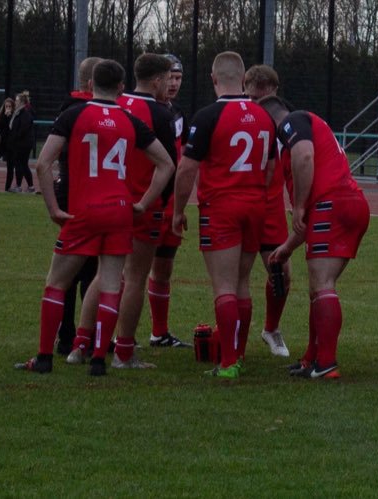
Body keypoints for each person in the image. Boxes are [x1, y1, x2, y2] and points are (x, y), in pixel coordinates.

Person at [17, 59, 177, 375]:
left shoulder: (74, 114)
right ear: (120, 87)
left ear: (90, 85)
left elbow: (43, 164)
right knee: (111, 284)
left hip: (83, 210)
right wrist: (144, 203)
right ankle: (100, 359)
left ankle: (46, 357)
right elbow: (167, 164)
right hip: (120, 210)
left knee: (56, 283)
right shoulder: (131, 120)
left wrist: (53, 208)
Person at [171, 51, 279, 379]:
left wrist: (177, 211)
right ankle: (238, 353)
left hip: (221, 208)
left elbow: (187, 168)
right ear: (244, 79)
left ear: (214, 79)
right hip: (255, 204)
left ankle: (229, 362)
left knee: (224, 286)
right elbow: (271, 168)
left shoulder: (207, 117)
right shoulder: (263, 116)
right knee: (243, 283)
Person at [263, 96, 370, 380]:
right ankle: (312, 358)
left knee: (322, 286)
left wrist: (297, 205)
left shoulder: (290, 122)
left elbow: (305, 156)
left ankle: (326, 363)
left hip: (332, 204)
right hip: (347, 203)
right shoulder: (309, 125)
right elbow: (309, 220)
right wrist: (286, 248)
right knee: (318, 288)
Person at [97, 53, 180, 369]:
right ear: (157, 80)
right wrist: (159, 201)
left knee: (105, 275)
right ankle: (124, 351)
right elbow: (169, 165)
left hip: (105, 200)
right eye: (167, 79)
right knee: (134, 278)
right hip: (141, 204)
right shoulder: (158, 113)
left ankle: (86, 343)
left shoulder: (113, 104)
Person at [51, 57, 106, 357]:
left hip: (68, 193)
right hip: (94, 194)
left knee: (69, 268)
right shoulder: (103, 111)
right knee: (91, 270)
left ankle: (69, 334)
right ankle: (89, 336)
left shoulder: (68, 109)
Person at [244, 64, 293, 358]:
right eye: (252, 98)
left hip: (271, 208)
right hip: (238, 204)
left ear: (274, 93)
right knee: (235, 275)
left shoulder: (288, 120)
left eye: (263, 99)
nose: (257, 105)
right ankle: (231, 338)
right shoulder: (234, 115)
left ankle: (271, 329)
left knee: (281, 274)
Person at [146, 54, 192, 348]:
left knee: (163, 267)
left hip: (170, 203)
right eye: (170, 77)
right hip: (146, 198)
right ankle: (113, 335)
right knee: (128, 270)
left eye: (178, 78)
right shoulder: (144, 109)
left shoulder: (177, 114)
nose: (173, 83)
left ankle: (159, 332)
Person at [7, 91, 38, 193]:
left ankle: (21, 186)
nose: (15, 102)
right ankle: (29, 186)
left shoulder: (25, 113)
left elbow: (23, 128)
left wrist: (16, 137)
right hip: (21, 142)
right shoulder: (19, 112)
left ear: (21, 102)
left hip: (23, 143)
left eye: (16, 101)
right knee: (22, 164)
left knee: (21, 164)